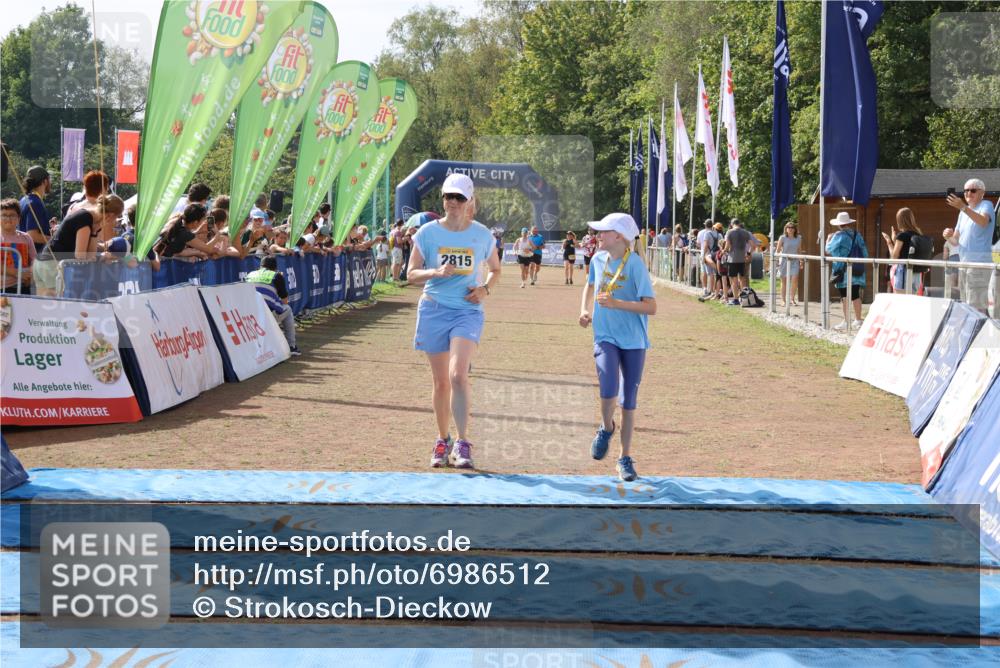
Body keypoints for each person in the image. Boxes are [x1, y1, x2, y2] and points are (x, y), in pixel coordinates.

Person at [406, 173, 501, 470]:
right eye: (449, 197)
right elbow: (410, 274)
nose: (453, 203)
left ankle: (462, 442)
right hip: (434, 309)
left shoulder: (483, 235)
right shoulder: (427, 234)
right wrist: (434, 272)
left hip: (466, 311)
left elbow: (496, 270)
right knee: (441, 382)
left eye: (460, 197)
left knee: (458, 374)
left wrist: (484, 289)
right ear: (443, 199)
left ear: (470, 201)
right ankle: (442, 438)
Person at [578, 213, 656, 482]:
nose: (597, 236)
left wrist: (617, 304)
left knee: (629, 403)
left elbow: (651, 306)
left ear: (619, 237)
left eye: (603, 232)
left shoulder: (634, 265)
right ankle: (606, 427)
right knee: (608, 386)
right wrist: (584, 310)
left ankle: (624, 458)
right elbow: (590, 286)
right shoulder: (597, 259)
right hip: (605, 336)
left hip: (634, 341)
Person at [34, 194, 124, 296]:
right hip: (49, 264)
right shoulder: (85, 218)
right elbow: (80, 256)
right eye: (117, 217)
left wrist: (95, 233)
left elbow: (90, 255)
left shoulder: (95, 224)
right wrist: (101, 256)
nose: (116, 222)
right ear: (111, 215)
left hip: (57, 265)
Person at [944, 178, 995, 314]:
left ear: (982, 193)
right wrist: (947, 236)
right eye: (966, 190)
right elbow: (955, 241)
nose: (968, 193)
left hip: (979, 263)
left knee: (976, 306)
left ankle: (981, 334)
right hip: (964, 264)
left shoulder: (986, 204)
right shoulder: (963, 213)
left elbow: (983, 222)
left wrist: (963, 207)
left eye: (972, 190)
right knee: (967, 304)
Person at [245, 255, 301, 356]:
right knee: (287, 309)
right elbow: (285, 301)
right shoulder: (276, 276)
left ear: (261, 266)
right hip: (266, 315)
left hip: (248, 315)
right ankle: (291, 346)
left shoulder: (250, 274)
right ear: (275, 268)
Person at [825, 211, 868, 330]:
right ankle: (858, 320)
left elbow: (828, 250)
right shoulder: (857, 234)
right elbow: (865, 252)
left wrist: (828, 239)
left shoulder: (838, 236)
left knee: (844, 296)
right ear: (848, 223)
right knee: (855, 295)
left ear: (839, 224)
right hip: (857, 269)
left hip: (842, 270)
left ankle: (846, 321)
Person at [881, 207, 925, 295]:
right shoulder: (919, 235)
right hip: (916, 273)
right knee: (911, 302)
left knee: (900, 301)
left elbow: (894, 257)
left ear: (899, 220)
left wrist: (890, 241)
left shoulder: (902, 236)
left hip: (903, 272)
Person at [157, 204, 223, 260]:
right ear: (195, 222)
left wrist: (197, 232)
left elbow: (177, 246)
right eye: (202, 220)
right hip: (160, 262)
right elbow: (208, 249)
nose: (203, 222)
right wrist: (217, 234)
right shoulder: (185, 233)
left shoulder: (176, 222)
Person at [18, 165, 56, 254]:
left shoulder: (23, 200)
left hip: (24, 253)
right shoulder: (35, 203)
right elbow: (32, 235)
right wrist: (55, 240)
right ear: (45, 181)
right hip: (34, 257)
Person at [1, 198, 35, 294]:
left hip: (23, 287)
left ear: (19, 219)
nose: (8, 218)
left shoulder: (26, 237)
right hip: (2, 288)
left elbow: (34, 260)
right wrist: (17, 273)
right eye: (4, 215)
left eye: (12, 215)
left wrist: (31, 276)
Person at [723, 218, 753, 305]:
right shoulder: (745, 232)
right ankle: (744, 299)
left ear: (732, 224)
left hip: (732, 259)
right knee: (742, 279)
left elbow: (727, 246)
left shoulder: (730, 232)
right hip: (742, 259)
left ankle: (736, 299)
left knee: (734, 280)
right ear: (739, 224)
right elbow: (753, 245)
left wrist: (724, 250)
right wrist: (748, 253)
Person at [775, 222, 802, 306]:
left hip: (794, 261)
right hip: (784, 261)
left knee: (794, 279)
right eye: (788, 227)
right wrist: (776, 261)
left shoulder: (798, 238)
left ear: (795, 229)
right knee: (784, 281)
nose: (790, 229)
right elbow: (778, 250)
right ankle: (783, 300)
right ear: (786, 229)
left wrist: (801, 261)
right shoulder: (782, 238)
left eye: (792, 227)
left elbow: (799, 250)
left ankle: (792, 299)